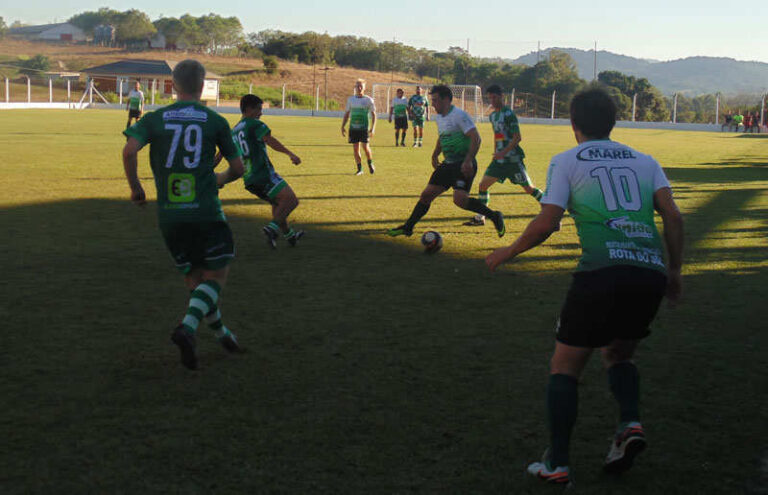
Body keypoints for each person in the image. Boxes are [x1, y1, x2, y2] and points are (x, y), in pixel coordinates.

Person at [486, 88, 684, 485]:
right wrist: (674, 272)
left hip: (600, 274)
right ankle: (629, 424)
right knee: (619, 354)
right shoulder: (646, 161)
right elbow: (673, 217)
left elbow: (548, 222)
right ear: (613, 122)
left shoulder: (567, 160)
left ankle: (557, 463)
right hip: (648, 273)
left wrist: (507, 251)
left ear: (573, 124)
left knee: (565, 367)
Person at [122, 59, 246, 370]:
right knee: (216, 276)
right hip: (205, 211)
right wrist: (218, 180)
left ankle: (222, 334)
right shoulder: (215, 120)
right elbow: (238, 168)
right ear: (202, 86)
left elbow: (129, 150)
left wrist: (136, 188)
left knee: (195, 280)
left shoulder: (155, 118)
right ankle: (187, 329)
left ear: (173, 85)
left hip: (170, 216)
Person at [387, 85, 505, 238]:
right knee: (427, 195)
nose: (433, 104)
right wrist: (435, 154)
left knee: (460, 200)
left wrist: (468, 160)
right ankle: (408, 227)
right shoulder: (440, 117)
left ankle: (494, 216)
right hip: (448, 163)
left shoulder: (459, 115)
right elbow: (442, 137)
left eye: (435, 100)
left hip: (463, 164)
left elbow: (476, 138)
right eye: (432, 100)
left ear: (446, 100)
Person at [217, 94, 304, 249]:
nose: (261, 113)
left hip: (249, 180)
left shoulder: (234, 131)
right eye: (258, 109)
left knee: (278, 204)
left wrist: (211, 173)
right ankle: (271, 229)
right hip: (263, 174)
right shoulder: (254, 124)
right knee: (291, 200)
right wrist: (290, 154)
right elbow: (269, 140)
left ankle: (290, 236)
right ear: (249, 109)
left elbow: (220, 154)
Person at [465, 84, 543, 227]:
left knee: (529, 189)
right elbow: (497, 135)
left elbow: (517, 137)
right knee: (483, 185)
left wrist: (503, 152)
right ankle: (481, 217)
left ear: (502, 97)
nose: (492, 101)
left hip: (513, 160)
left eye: (494, 97)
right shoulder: (493, 116)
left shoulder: (509, 114)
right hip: (499, 161)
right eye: (490, 98)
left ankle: (551, 210)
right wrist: (496, 152)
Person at [341, 79, 376, 175]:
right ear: (355, 87)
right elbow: (347, 114)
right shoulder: (351, 100)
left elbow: (374, 114)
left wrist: (373, 128)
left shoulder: (368, 100)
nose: (359, 88)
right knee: (356, 148)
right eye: (357, 86)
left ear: (364, 88)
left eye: (361, 86)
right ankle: (360, 169)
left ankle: (370, 163)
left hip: (364, 128)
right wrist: (343, 126)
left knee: (365, 147)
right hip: (353, 128)